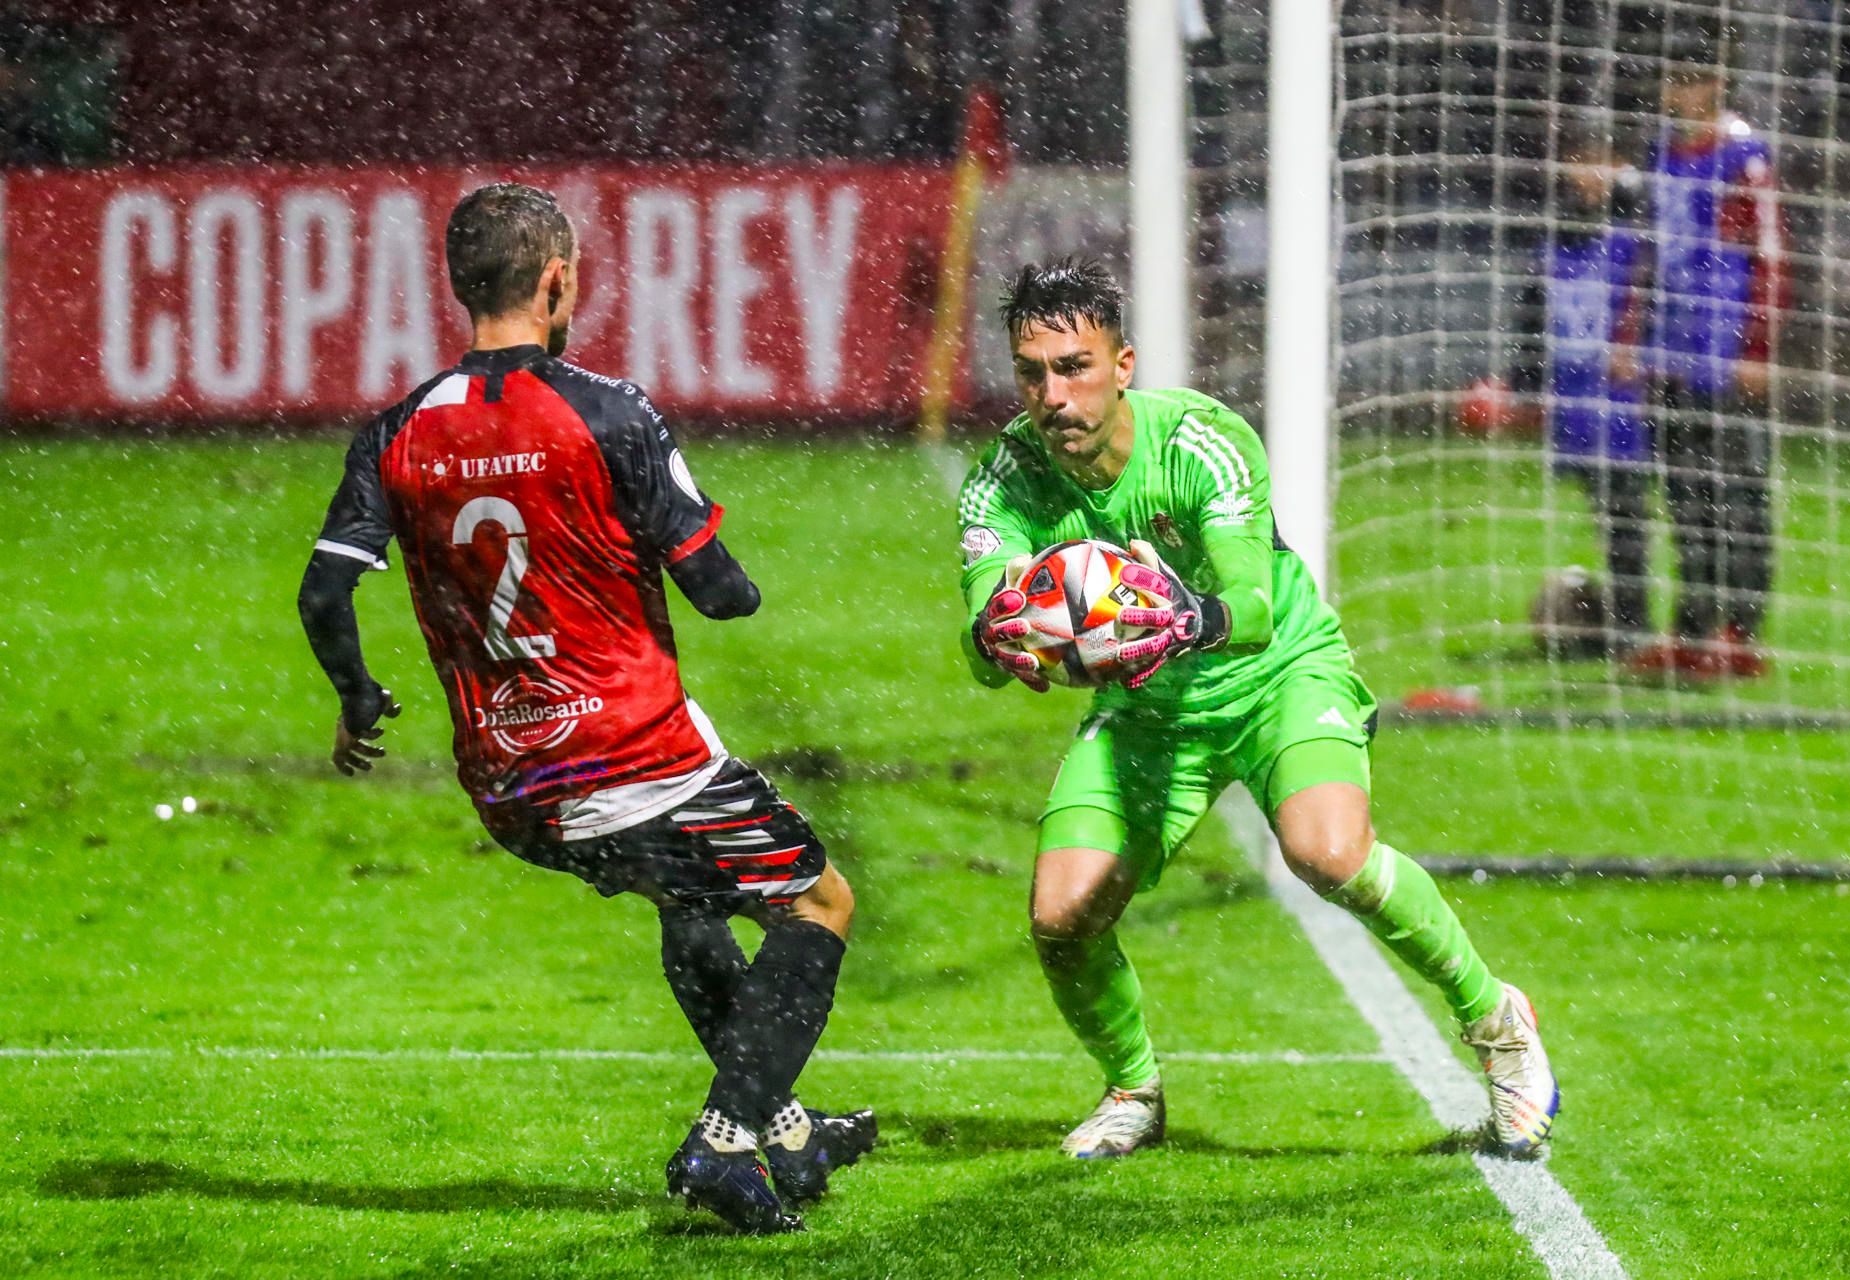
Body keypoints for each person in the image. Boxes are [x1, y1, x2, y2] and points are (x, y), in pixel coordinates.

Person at [296, 182, 871, 1234]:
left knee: (690, 903)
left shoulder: (397, 429)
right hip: (635, 757)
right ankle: (724, 1137)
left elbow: (325, 591)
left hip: (514, 790)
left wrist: (358, 695)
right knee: (818, 898)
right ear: (557, 280)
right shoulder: (608, 409)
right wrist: (675, 534)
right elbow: (722, 592)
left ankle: (785, 1129)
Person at [955, 259, 1560, 1160]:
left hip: (1280, 677)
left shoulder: (1201, 439)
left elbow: (1256, 607)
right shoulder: (1001, 482)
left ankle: (1498, 1020)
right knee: (1060, 917)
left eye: (1076, 366)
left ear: (1124, 365)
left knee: (1328, 854)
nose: (1054, 395)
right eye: (1033, 372)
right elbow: (983, 645)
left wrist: (1185, 618)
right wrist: (996, 640)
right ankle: (1132, 1089)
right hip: (1149, 715)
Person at [1629, 51, 1790, 679]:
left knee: (1739, 494)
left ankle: (1739, 632)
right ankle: (1693, 628)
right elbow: (1647, 252)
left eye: (1687, 79)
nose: (1674, 90)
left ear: (1715, 85)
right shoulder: (1661, 155)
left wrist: (1757, 348)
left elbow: (1772, 256)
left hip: (1725, 352)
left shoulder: (1745, 156)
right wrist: (1629, 338)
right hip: (1670, 350)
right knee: (1684, 494)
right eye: (1668, 78)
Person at [1514, 126, 1654, 655]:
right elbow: (1530, 315)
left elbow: (1651, 295)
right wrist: (1525, 383)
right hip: (1575, 401)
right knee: (1611, 517)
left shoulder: (1636, 234)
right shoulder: (1554, 235)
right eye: (1578, 162)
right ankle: (1618, 624)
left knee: (1629, 517)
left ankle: (1638, 626)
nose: (1587, 174)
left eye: (1598, 162)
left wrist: (1637, 348)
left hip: (1626, 402)